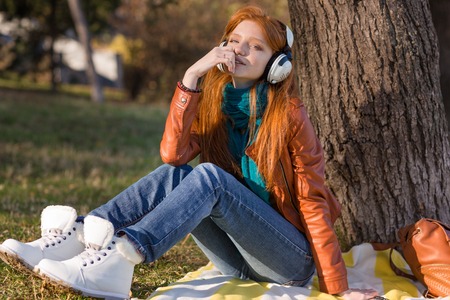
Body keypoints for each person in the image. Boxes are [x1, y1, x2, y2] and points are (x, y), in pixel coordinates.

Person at [0, 5, 379, 300]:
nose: (241, 49)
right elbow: (173, 156)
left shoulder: (290, 115)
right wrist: (192, 77)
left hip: (289, 261)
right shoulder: (212, 100)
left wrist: (337, 286)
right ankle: (77, 237)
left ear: (277, 66)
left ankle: (120, 260)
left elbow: (312, 201)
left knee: (211, 177)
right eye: (234, 40)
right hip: (238, 260)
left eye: (257, 46)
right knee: (180, 174)